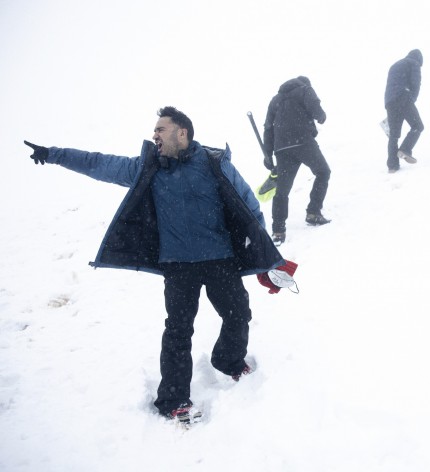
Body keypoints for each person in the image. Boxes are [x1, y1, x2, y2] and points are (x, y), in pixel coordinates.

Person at [24, 106, 289, 426]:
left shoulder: (213, 163)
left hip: (220, 259)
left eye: (161, 129)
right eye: (155, 131)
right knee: (178, 331)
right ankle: (173, 399)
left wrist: (261, 253)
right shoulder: (149, 167)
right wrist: (54, 154)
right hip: (179, 265)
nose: (155, 135)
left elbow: (248, 203)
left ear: (182, 133)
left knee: (238, 315)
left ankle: (229, 360)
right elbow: (98, 163)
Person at [263, 76, 331, 245]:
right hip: (302, 141)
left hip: (282, 149)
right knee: (323, 172)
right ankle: (313, 212)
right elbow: (315, 106)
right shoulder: (305, 89)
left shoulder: (275, 100)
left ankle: (278, 230)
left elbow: (268, 127)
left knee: (282, 191)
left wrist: (268, 154)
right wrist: (321, 115)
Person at [384, 49, 424, 173]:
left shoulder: (396, 65)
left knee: (394, 135)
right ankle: (405, 149)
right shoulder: (414, 63)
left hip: (389, 102)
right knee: (418, 126)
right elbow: (415, 83)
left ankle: (392, 166)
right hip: (403, 97)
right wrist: (412, 99)